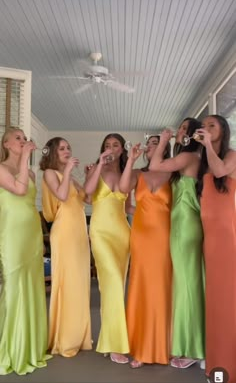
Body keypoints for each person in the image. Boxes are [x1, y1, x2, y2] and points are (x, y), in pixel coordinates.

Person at [149, 118, 205, 369]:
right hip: (184, 223)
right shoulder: (192, 159)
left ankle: (193, 347)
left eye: (184, 128)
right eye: (181, 128)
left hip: (184, 226)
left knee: (187, 285)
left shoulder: (189, 157)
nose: (180, 131)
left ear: (192, 135)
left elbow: (155, 165)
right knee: (188, 283)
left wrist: (163, 141)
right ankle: (190, 342)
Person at [0, 127, 51, 375]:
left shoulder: (29, 172)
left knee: (31, 285)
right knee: (13, 284)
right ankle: (11, 346)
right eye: (17, 138)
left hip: (31, 232)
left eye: (24, 138)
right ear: (7, 144)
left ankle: (30, 344)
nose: (23, 141)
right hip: (11, 234)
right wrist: (24, 160)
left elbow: (31, 204)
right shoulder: (1, 168)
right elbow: (19, 190)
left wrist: (41, 237)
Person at [119, 135, 172, 368]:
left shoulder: (173, 174)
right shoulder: (139, 175)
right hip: (140, 235)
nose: (151, 146)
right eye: (150, 143)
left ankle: (163, 344)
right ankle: (140, 346)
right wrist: (131, 160)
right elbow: (123, 191)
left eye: (156, 143)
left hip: (165, 236)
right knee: (141, 285)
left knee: (161, 286)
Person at [39, 137, 92, 357]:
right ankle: (64, 338)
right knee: (67, 282)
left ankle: (79, 336)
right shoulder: (51, 173)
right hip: (64, 232)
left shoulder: (70, 177)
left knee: (80, 283)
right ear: (52, 152)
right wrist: (69, 170)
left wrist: (90, 174)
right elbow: (60, 195)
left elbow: (87, 197)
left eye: (68, 147)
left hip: (79, 233)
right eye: (62, 148)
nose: (67, 150)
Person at [84, 133, 133, 364]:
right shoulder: (96, 169)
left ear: (122, 149)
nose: (111, 148)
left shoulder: (128, 174)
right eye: (106, 145)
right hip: (101, 233)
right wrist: (99, 165)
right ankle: (114, 345)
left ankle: (108, 340)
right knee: (111, 282)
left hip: (122, 235)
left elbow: (129, 204)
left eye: (115, 145)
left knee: (115, 288)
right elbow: (87, 194)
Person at [196, 115, 236, 383]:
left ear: (223, 129)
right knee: (214, 298)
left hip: (227, 235)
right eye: (205, 125)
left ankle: (227, 367)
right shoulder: (203, 162)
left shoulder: (231, 154)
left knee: (226, 298)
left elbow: (221, 171)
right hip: (209, 236)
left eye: (212, 125)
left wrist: (208, 145)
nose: (207, 129)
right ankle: (217, 364)